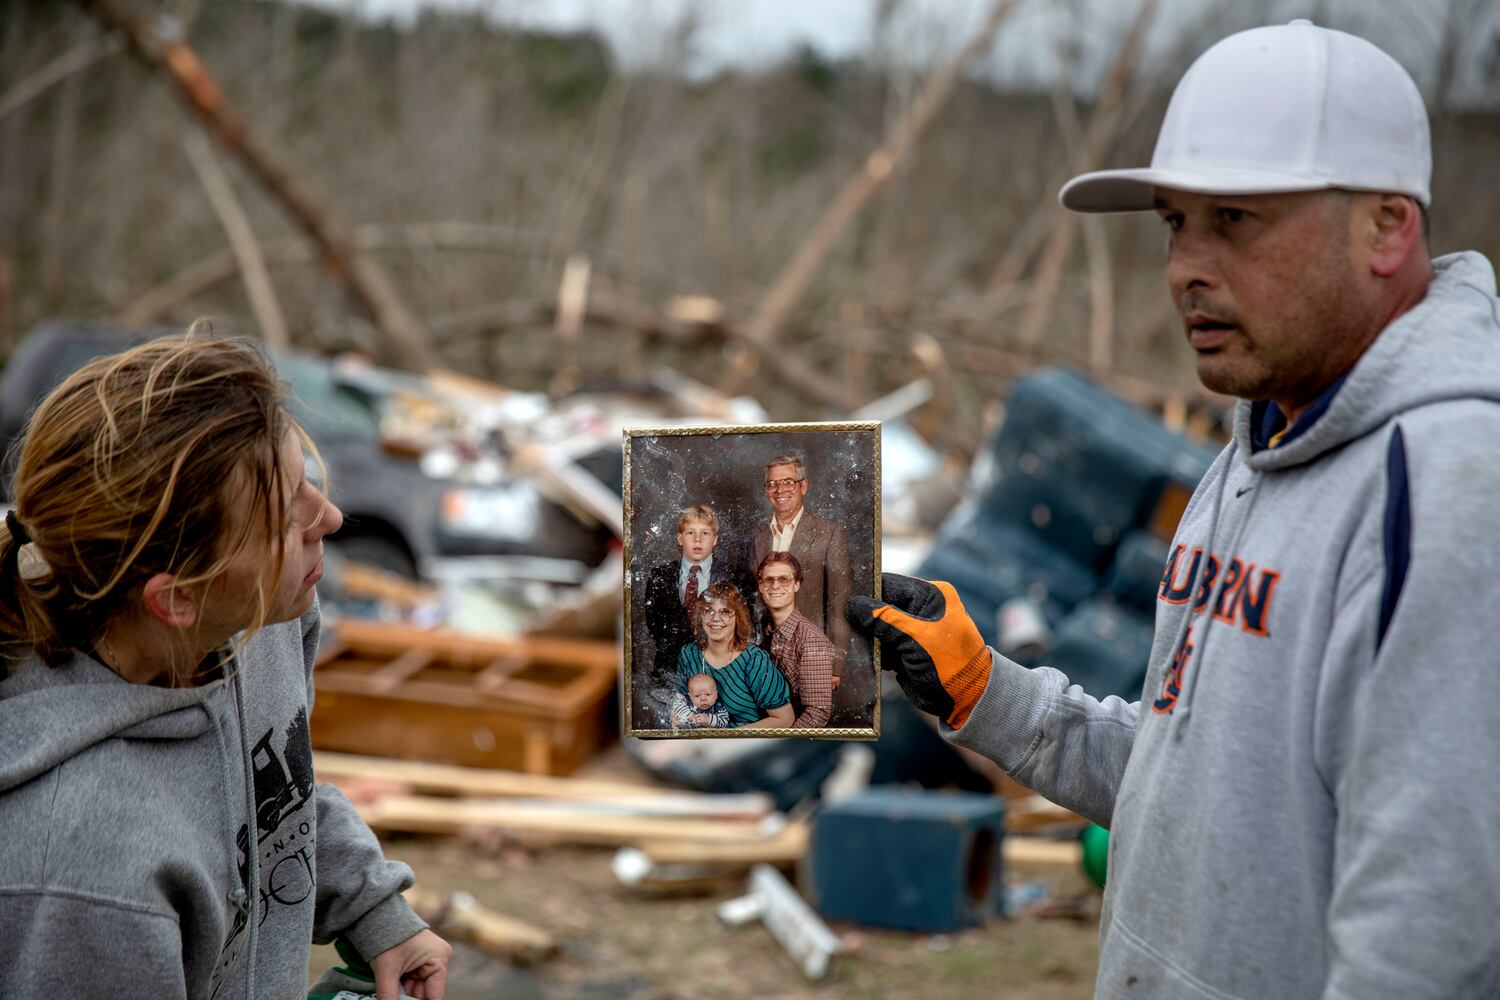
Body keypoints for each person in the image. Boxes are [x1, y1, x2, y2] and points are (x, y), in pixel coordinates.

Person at [848, 20, 1500, 1000]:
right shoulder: (1257, 447)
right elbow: (1190, 790)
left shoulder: (1444, 485)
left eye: (1233, 219)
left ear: (1387, 227)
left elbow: (1430, 932)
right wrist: (987, 693)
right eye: (1175, 223)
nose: (1184, 267)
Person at [0, 333, 451, 999]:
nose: (328, 518)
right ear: (176, 598)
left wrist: (372, 908)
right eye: (284, 524)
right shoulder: (81, 874)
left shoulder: (257, 616)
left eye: (306, 485)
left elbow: (273, 793)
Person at [742, 453, 852, 686]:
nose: (779, 489)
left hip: (811, 656)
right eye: (772, 483)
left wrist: (835, 666)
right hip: (762, 657)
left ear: (803, 486)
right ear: (766, 490)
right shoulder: (756, 536)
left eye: (787, 482)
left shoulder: (829, 533)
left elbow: (838, 605)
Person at [677, 581, 792, 729]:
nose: (715, 618)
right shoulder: (688, 654)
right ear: (700, 616)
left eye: (725, 611)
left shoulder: (754, 660)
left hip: (745, 745)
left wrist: (727, 738)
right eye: (708, 610)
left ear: (738, 618)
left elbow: (784, 719)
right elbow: (679, 704)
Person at [756, 552, 834, 729]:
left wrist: (781, 741)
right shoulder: (765, 630)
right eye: (769, 580)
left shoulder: (812, 640)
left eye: (784, 579)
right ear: (761, 586)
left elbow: (817, 713)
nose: (775, 586)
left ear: (796, 584)